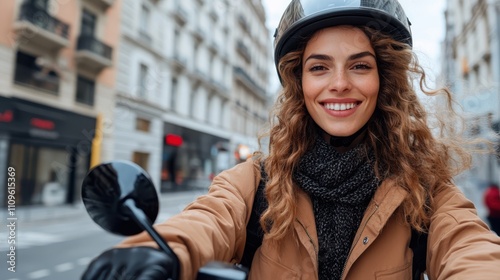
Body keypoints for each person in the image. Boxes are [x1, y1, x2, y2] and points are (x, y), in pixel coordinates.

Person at [82, 0, 500, 279]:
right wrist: (161, 253)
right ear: (299, 83)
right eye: (319, 68)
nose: (339, 84)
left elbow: (470, 246)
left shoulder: (425, 189)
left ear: (383, 80)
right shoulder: (253, 181)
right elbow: (206, 221)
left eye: (359, 65)